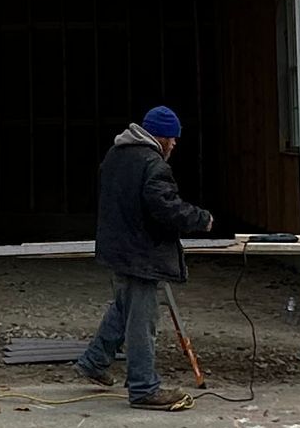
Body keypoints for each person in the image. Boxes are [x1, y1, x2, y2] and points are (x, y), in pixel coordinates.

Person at [74, 105, 213, 410]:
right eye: (173, 139)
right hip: (142, 255)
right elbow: (165, 208)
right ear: (161, 137)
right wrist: (200, 219)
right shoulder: (153, 164)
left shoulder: (115, 155)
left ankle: (94, 361)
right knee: (142, 322)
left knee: (124, 308)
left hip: (117, 249)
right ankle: (143, 387)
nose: (175, 145)